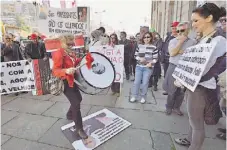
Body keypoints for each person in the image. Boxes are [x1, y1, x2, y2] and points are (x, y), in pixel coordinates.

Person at [175, 3, 226, 150]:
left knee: (197, 124)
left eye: (196, 21)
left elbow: (205, 68)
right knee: (192, 120)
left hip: (201, 87)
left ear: (209, 18)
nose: (193, 24)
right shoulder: (205, 39)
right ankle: (189, 141)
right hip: (194, 85)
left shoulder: (219, 41)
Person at [52, 33, 88, 139]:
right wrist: (66, 70)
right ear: (64, 42)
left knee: (78, 99)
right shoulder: (59, 53)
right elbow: (55, 71)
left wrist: (83, 59)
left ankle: (69, 114)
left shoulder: (70, 52)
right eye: (70, 42)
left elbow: (74, 63)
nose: (73, 44)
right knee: (76, 103)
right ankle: (79, 129)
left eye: (73, 42)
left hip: (73, 80)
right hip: (65, 82)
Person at [163, 22, 196, 116]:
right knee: (171, 90)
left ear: (188, 30)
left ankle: (177, 107)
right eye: (177, 31)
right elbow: (172, 53)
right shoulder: (173, 41)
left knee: (181, 91)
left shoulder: (192, 42)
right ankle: (169, 107)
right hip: (173, 66)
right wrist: (181, 42)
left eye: (182, 30)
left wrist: (181, 52)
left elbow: (193, 55)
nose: (179, 33)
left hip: (185, 68)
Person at [130, 32, 158, 104]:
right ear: (143, 38)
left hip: (148, 68)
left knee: (145, 83)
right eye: (145, 37)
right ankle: (134, 96)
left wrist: (150, 63)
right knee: (136, 82)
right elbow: (135, 56)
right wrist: (139, 59)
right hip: (139, 67)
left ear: (151, 38)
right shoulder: (139, 46)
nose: (146, 38)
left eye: (148, 37)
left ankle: (143, 97)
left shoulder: (154, 47)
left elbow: (155, 59)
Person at [160, 21, 179, 95]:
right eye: (173, 28)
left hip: (173, 59)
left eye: (175, 28)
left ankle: (173, 90)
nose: (174, 30)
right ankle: (167, 89)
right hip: (166, 58)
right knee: (166, 74)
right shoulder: (168, 36)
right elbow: (164, 46)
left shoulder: (179, 37)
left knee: (173, 76)